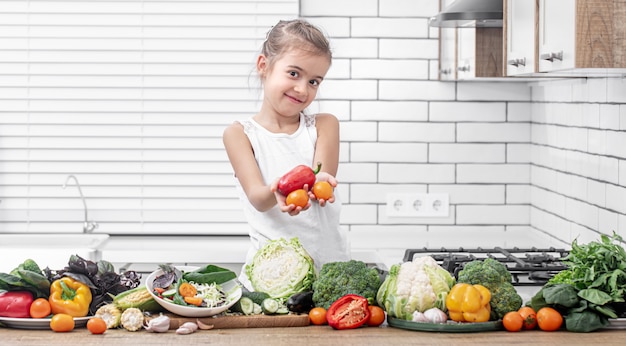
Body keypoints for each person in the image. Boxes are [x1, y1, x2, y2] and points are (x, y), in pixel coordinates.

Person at [222, 19, 350, 290]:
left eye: (314, 81)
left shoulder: (324, 125)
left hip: (327, 273)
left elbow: (319, 178)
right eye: (294, 73)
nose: (303, 89)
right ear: (264, 67)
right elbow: (258, 197)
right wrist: (278, 188)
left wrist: (321, 182)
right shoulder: (240, 134)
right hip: (269, 280)